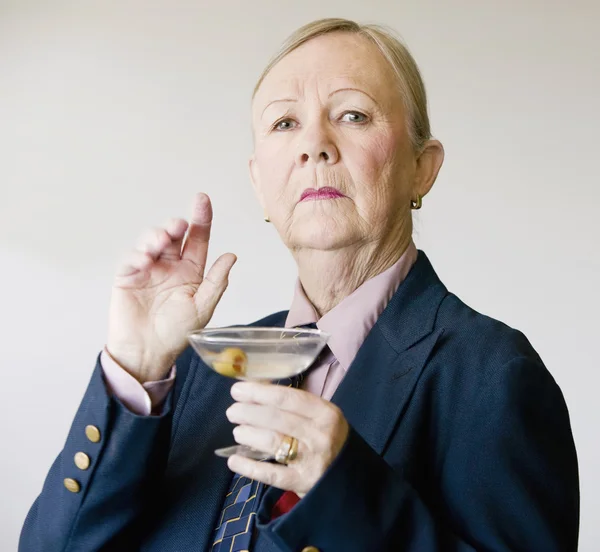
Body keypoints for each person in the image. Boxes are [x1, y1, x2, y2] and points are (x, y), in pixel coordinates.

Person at [19, 17, 579, 552]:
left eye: (354, 115)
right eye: (285, 123)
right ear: (260, 184)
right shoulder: (191, 373)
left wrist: (349, 493)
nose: (315, 144)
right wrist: (134, 368)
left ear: (421, 168)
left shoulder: (494, 377)